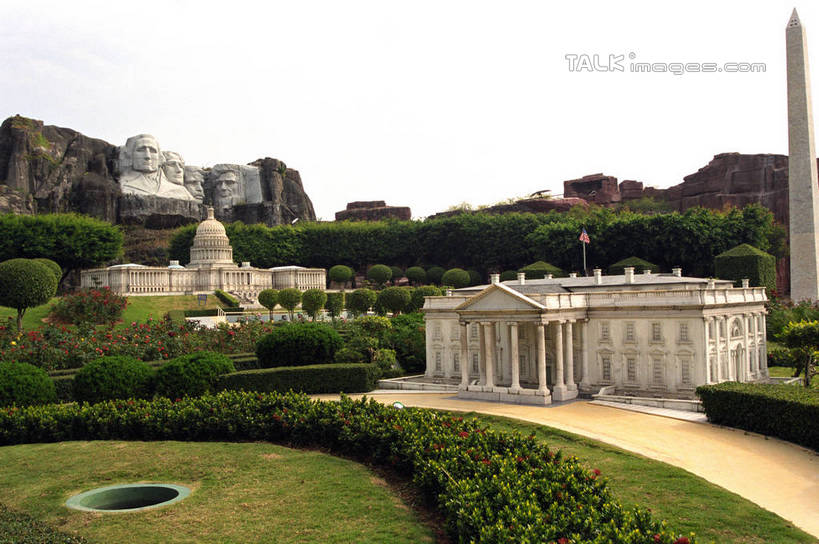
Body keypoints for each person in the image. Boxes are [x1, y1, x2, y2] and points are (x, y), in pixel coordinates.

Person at [118, 135, 194, 200]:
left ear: (159, 157)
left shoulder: (182, 192)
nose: (147, 156)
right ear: (130, 156)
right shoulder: (122, 186)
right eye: (141, 150)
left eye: (152, 151)